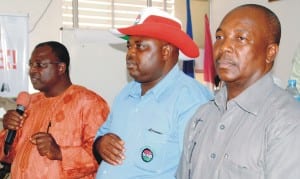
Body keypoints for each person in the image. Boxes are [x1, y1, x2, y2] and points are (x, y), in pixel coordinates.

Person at [177, 4, 300, 179]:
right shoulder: (202, 116)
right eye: (219, 37)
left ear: (270, 52)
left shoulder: (288, 122)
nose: (224, 46)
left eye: (240, 38)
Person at [93, 7, 212, 179]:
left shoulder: (190, 100)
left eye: (140, 46)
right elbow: (101, 134)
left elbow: (198, 170)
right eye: (129, 46)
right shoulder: (127, 93)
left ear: (165, 51)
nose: (130, 54)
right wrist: (100, 144)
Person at [0, 41, 110, 178]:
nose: (32, 71)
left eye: (39, 65)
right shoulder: (30, 103)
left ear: (61, 68)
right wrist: (8, 132)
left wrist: (60, 152)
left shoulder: (89, 102)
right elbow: (7, 157)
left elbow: (101, 156)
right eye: (31, 65)